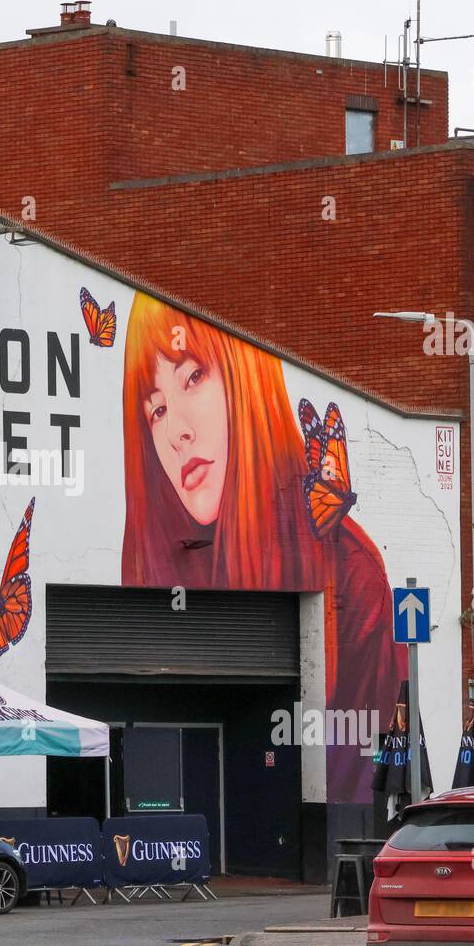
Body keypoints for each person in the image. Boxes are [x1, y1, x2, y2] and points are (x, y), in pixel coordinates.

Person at [120, 293, 406, 802]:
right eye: (157, 410)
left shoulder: (357, 579)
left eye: (193, 378)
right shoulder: (164, 559)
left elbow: (360, 773)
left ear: (244, 382)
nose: (177, 432)